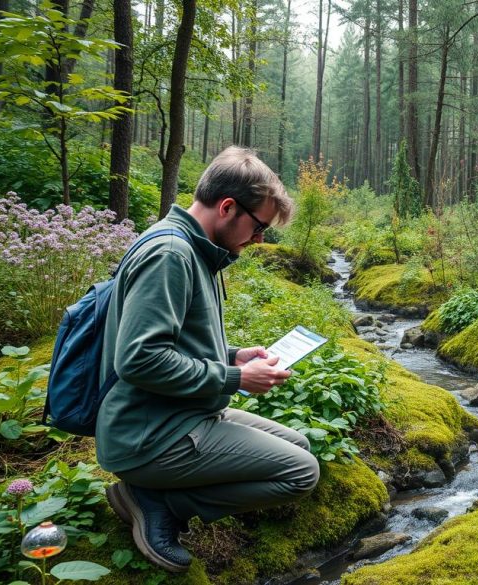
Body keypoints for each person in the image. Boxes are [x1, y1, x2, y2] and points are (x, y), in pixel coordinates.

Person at [96, 147, 320, 572]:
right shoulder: (171, 256)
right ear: (227, 207)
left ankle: (158, 494)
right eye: (258, 227)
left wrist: (235, 354)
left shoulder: (193, 250)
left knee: (299, 445)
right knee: (300, 472)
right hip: (148, 436)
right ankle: (158, 501)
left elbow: (173, 341)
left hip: (177, 416)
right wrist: (235, 377)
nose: (259, 240)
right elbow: (139, 359)